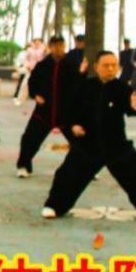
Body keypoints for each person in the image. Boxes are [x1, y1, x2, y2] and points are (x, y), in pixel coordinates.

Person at [42, 51, 136, 221]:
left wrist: (134, 106)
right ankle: (54, 206)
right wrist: (74, 126)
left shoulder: (122, 88)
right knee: (67, 175)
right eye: (106, 65)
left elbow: (132, 109)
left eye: (114, 65)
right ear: (96, 67)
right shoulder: (85, 87)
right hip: (88, 144)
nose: (110, 69)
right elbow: (70, 111)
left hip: (115, 144)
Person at [15, 35, 86, 177]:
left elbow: (80, 84)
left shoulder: (72, 64)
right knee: (29, 138)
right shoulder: (43, 65)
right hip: (44, 110)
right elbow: (32, 82)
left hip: (67, 112)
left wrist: (82, 73)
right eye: (54, 45)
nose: (58, 48)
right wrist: (36, 95)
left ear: (64, 46)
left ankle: (87, 168)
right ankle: (23, 165)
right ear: (50, 47)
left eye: (60, 45)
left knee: (80, 141)